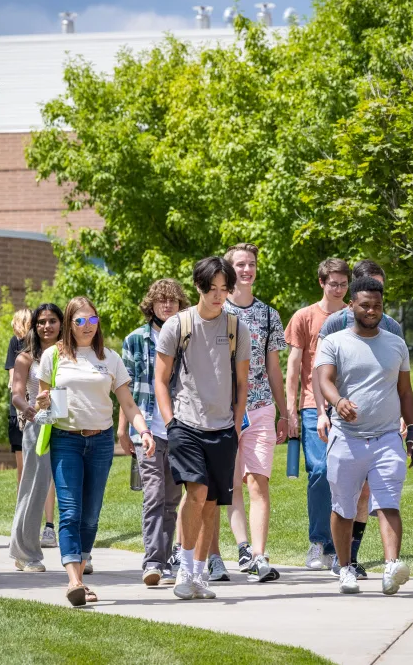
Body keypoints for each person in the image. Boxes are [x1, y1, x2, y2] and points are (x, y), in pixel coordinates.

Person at [33, 296, 153, 607]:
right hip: (66, 439)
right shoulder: (52, 356)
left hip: (100, 443)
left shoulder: (109, 358)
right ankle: (74, 581)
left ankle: (82, 573)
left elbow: (127, 403)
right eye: (81, 321)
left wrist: (144, 431)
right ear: (70, 324)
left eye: (93, 320)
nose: (87, 327)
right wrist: (41, 403)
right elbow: (42, 403)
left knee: (90, 516)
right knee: (71, 511)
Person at [315, 277, 413, 596]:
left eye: (376, 305)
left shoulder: (395, 344)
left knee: (388, 502)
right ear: (352, 306)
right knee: (344, 507)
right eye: (365, 305)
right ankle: (345, 568)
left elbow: (405, 391)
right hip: (346, 438)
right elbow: (325, 380)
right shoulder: (335, 342)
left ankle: (391, 567)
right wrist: (338, 402)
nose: (371, 310)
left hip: (387, 437)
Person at [155, 256, 250, 601]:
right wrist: (171, 424)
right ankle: (183, 568)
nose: (218, 296)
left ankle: (199, 574)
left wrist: (236, 424)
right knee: (195, 494)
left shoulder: (236, 327)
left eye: (224, 290)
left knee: (210, 502)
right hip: (186, 424)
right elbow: (161, 380)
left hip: (223, 427)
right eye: (212, 289)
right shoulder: (177, 326)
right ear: (198, 287)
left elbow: (242, 382)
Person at [206, 243, 289, 583]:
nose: (246, 269)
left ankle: (258, 555)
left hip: (260, 408)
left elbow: (274, 368)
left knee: (258, 483)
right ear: (228, 270)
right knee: (221, 486)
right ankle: (213, 557)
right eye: (239, 264)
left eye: (251, 264)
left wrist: (286, 412)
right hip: (221, 412)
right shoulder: (214, 311)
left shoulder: (269, 314)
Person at [118, 279, 189, 586]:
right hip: (145, 426)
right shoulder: (135, 340)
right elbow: (126, 389)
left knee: (172, 497)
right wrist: (123, 427)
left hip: (179, 426)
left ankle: (166, 559)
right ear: (151, 305)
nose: (167, 305)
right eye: (161, 300)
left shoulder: (187, 337)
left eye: (172, 300)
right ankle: (152, 561)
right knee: (154, 493)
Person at [284, 258, 350, 570]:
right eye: (332, 283)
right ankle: (318, 543)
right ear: (321, 282)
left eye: (343, 283)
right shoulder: (304, 317)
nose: (338, 289)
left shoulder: (356, 315)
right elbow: (294, 367)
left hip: (351, 407)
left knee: (345, 477)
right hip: (314, 406)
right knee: (320, 471)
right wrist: (290, 409)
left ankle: (341, 549)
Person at [8, 303, 64, 572]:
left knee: (72, 490)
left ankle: (77, 554)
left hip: (69, 425)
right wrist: (26, 407)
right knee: (34, 488)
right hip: (38, 424)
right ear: (34, 326)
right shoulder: (26, 358)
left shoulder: (70, 355)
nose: (47, 326)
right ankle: (26, 553)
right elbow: (17, 393)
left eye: (52, 320)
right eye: (41, 321)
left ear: (61, 324)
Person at [4, 308, 31, 473]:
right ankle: (23, 498)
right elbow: (12, 376)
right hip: (20, 404)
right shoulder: (15, 342)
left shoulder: (39, 343)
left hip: (33, 400)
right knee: (21, 455)